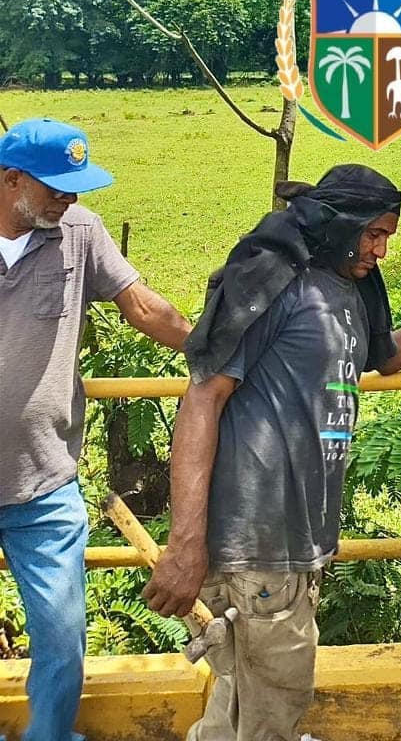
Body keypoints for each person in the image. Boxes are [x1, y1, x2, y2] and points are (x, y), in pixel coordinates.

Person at [144, 164, 401, 741]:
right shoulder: (272, 281)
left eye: (388, 235)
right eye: (373, 234)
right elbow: (202, 400)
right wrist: (185, 546)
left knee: (239, 703)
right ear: (338, 224)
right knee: (273, 713)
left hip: (295, 535)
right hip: (258, 537)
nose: (381, 251)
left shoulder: (348, 287)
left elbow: (384, 357)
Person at [0, 117, 191, 741]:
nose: (70, 198)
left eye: (77, 186)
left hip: (43, 481)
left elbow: (142, 306)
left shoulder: (79, 232)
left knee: (61, 637)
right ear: (11, 180)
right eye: (57, 186)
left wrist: (218, 359)